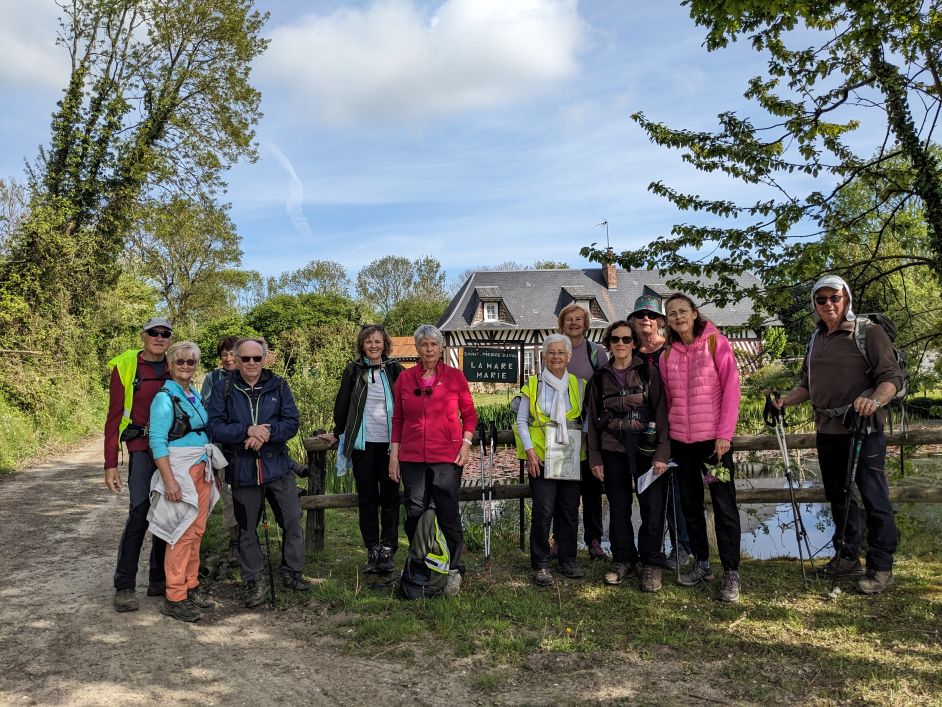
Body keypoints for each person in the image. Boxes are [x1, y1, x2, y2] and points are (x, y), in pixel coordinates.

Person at [774, 276, 903, 595]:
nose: (828, 304)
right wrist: (785, 401)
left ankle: (881, 565)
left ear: (846, 299)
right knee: (839, 497)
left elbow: (892, 378)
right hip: (827, 429)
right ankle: (847, 556)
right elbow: (807, 385)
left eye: (835, 297)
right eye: (821, 300)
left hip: (863, 428)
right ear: (814, 304)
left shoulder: (867, 332)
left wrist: (874, 401)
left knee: (873, 496)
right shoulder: (815, 338)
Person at [207, 337, 308, 608]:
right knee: (247, 527)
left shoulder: (279, 385)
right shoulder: (223, 388)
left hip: (277, 465)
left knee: (292, 518)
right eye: (245, 358)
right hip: (243, 468)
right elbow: (214, 426)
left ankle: (292, 570)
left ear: (264, 359)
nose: (251, 363)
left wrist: (266, 434)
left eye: (256, 358)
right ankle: (253, 578)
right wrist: (247, 431)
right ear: (236, 359)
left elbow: (292, 422)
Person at [660, 294, 743, 602]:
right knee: (691, 505)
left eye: (683, 311)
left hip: (713, 446)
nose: (678, 317)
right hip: (682, 445)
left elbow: (732, 389)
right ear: (667, 320)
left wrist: (724, 434)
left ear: (694, 313)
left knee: (723, 505)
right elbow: (668, 400)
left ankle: (731, 571)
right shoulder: (667, 354)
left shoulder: (715, 343)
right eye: (672, 313)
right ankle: (702, 562)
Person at [389, 324, 477, 596]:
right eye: (424, 344)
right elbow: (398, 419)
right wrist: (394, 457)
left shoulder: (455, 377)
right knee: (414, 512)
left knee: (448, 513)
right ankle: (421, 564)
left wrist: (466, 444)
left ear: (441, 348)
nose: (429, 349)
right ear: (417, 348)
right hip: (412, 457)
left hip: (447, 457)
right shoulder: (405, 379)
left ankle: (453, 569)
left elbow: (470, 415)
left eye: (433, 344)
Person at [586, 321, 670, 591]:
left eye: (626, 339)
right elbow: (592, 421)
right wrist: (595, 458)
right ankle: (623, 559)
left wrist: (662, 453)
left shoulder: (648, 372)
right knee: (619, 508)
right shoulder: (600, 377)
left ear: (634, 343)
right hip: (613, 451)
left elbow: (661, 413)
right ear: (608, 344)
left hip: (646, 451)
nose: (620, 344)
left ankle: (651, 563)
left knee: (652, 508)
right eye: (615, 339)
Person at [147, 341, 226, 622]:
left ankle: (191, 585)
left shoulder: (192, 394)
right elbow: (157, 441)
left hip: (201, 468)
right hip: (180, 471)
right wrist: (169, 482)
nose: (185, 366)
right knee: (180, 533)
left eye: (191, 362)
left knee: (196, 531)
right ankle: (175, 596)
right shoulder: (164, 398)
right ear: (170, 364)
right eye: (179, 361)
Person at [319, 325, 404, 574]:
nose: (373, 346)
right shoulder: (354, 370)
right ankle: (372, 548)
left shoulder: (395, 370)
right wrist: (337, 432)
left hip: (391, 445)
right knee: (367, 498)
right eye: (368, 342)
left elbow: (406, 403)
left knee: (390, 497)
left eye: (377, 341)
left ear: (384, 344)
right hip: (363, 444)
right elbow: (343, 403)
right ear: (362, 345)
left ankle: (388, 549)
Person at [104, 316, 172, 612]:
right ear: (143, 335)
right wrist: (110, 464)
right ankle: (124, 586)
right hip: (141, 448)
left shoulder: (176, 363)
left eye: (165, 333)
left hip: (170, 450)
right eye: (153, 332)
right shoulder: (127, 366)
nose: (159, 337)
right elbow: (113, 417)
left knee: (167, 511)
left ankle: (159, 579)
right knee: (140, 511)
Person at [517, 335, 587, 585]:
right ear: (544, 356)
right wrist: (529, 452)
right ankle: (541, 563)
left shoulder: (579, 385)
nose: (556, 356)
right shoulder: (533, 384)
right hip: (540, 456)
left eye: (560, 352)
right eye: (551, 352)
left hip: (569, 455)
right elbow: (521, 420)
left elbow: (586, 420)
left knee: (569, 509)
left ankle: (567, 559)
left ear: (569, 357)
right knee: (543, 510)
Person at [629, 295, 692, 571]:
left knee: (675, 493)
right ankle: (650, 550)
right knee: (649, 495)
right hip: (640, 434)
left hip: (674, 428)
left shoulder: (672, 349)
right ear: (633, 320)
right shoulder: (629, 352)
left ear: (661, 321)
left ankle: (681, 546)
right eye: (641, 315)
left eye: (652, 315)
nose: (646, 319)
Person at [557, 303, 608, 560]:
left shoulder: (596, 352)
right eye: (569, 319)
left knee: (591, 488)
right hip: (562, 429)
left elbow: (605, 388)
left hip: (590, 429)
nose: (574, 323)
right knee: (563, 488)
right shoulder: (556, 349)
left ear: (586, 324)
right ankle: (559, 540)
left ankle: (594, 540)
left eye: (578, 319)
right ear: (562, 324)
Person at [200, 335, 241, 567]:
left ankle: (248, 539)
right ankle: (234, 541)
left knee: (248, 495)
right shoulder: (212, 378)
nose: (228, 358)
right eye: (224, 354)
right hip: (222, 447)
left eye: (232, 353)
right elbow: (207, 411)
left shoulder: (249, 376)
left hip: (245, 445)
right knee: (228, 495)